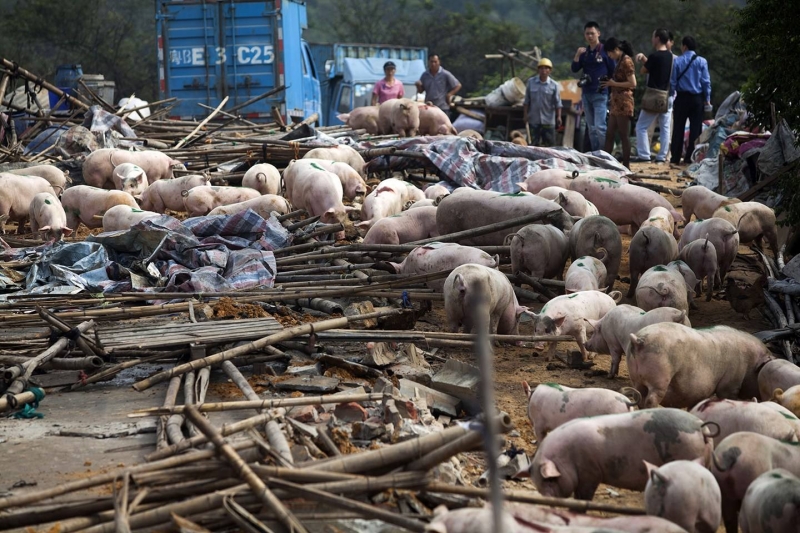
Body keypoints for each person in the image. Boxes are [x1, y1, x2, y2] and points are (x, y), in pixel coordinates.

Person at [571, 21, 616, 152]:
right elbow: (574, 68)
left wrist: (612, 90)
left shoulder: (605, 51)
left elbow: (613, 70)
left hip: (601, 93)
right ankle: (596, 154)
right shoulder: (584, 53)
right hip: (586, 93)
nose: (590, 36)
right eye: (587, 33)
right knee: (591, 128)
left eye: (592, 33)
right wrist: (577, 55)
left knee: (600, 126)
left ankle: (606, 153)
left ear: (598, 33)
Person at [631, 29, 674, 164]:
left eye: (653, 36)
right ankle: (662, 157)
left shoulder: (655, 56)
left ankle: (644, 155)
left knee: (641, 126)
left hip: (654, 96)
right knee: (665, 128)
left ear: (658, 38)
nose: (652, 39)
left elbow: (644, 70)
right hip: (667, 95)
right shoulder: (671, 56)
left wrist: (644, 60)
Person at [669, 36, 711, 166]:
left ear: (684, 46)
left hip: (681, 98)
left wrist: (672, 95)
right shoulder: (702, 61)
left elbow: (672, 82)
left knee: (678, 128)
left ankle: (675, 157)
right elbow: (706, 82)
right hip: (696, 99)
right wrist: (707, 99)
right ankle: (690, 157)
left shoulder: (678, 61)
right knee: (695, 129)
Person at [600, 38, 637, 169]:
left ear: (616, 50)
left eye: (610, 53)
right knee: (610, 133)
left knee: (623, 135)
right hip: (616, 102)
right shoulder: (618, 61)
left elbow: (633, 83)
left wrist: (614, 84)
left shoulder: (626, 61)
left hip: (624, 102)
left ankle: (626, 164)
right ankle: (605, 163)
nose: (609, 56)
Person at [523, 58, 563, 147]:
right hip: (534, 120)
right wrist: (525, 115)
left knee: (550, 146)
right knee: (533, 145)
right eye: (541, 68)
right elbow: (526, 101)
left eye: (546, 68)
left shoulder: (554, 85)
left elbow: (558, 103)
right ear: (538, 70)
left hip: (548, 121)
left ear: (550, 71)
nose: (544, 71)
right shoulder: (531, 82)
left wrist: (559, 116)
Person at [415, 54, 461, 120]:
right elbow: (421, 91)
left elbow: (458, 85)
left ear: (439, 62)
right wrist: (418, 86)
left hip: (442, 107)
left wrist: (449, 94)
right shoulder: (425, 75)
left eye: (435, 62)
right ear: (429, 62)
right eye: (431, 62)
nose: (433, 64)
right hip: (429, 107)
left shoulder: (445, 74)